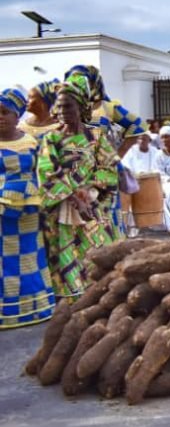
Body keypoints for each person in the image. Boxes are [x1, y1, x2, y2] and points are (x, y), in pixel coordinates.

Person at [37, 73, 124, 298]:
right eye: (60, 107)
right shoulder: (52, 139)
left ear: (81, 107)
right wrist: (74, 196)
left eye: (69, 107)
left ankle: (101, 294)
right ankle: (73, 298)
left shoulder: (95, 137)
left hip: (94, 205)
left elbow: (108, 168)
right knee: (68, 254)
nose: (64, 112)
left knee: (98, 251)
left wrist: (90, 192)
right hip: (64, 208)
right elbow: (47, 173)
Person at [0, 88, 55, 328]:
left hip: (29, 216)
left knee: (30, 259)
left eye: (5, 112)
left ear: (17, 115)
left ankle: (35, 308)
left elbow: (44, 173)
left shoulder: (32, 141)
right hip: (1, 217)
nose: (0, 117)